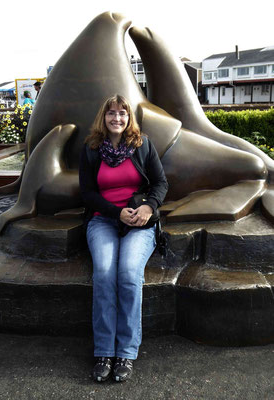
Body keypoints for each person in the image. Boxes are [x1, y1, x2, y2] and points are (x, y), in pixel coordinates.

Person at [79, 94, 168, 382]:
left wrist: (148, 206)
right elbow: (88, 194)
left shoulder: (142, 145)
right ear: (103, 118)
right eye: (111, 113)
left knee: (129, 274)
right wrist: (115, 212)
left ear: (129, 118)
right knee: (105, 273)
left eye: (122, 114)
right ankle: (105, 351)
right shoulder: (92, 149)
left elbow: (160, 182)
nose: (117, 118)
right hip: (104, 220)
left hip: (139, 223)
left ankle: (126, 353)